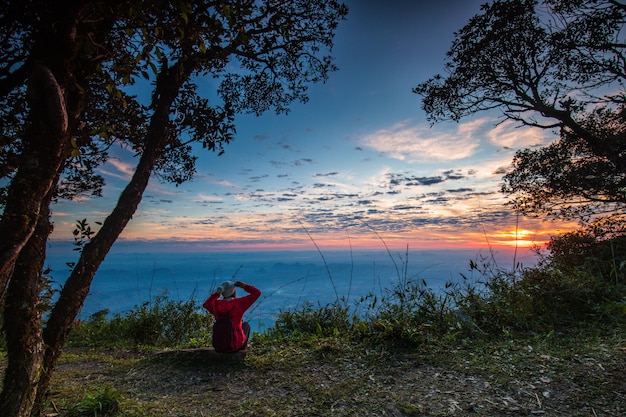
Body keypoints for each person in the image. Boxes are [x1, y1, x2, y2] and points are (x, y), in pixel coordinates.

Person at [203, 280, 261, 353]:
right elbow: (257, 293)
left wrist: (217, 294)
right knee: (246, 325)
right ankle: (242, 348)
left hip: (219, 347)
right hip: (234, 347)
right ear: (233, 291)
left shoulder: (216, 305)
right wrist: (243, 286)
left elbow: (206, 304)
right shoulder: (239, 303)